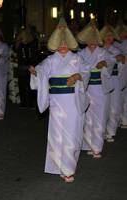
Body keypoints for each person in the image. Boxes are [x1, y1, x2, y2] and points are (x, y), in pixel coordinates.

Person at [29, 18, 90, 183]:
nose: (63, 45)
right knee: (57, 134)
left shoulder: (77, 59)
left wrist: (77, 76)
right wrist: (36, 73)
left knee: (72, 133)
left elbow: (86, 71)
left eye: (65, 42)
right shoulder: (51, 60)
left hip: (73, 101)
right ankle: (59, 165)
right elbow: (42, 69)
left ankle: (69, 168)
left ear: (69, 43)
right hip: (57, 102)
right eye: (60, 42)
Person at [76, 19, 116, 158]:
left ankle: (97, 147)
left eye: (94, 39)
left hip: (99, 88)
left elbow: (112, 59)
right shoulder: (81, 54)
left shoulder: (103, 52)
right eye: (89, 39)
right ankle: (88, 144)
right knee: (87, 116)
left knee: (99, 117)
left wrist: (105, 62)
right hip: (86, 89)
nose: (92, 42)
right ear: (86, 41)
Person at [100, 24, 126, 142]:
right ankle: (101, 130)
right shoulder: (99, 51)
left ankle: (110, 131)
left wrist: (123, 59)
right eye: (106, 35)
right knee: (103, 106)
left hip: (114, 79)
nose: (109, 38)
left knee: (114, 105)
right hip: (101, 81)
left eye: (111, 35)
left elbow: (123, 62)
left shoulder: (117, 50)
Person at [13, 29, 38, 109]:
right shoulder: (19, 45)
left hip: (30, 69)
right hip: (22, 69)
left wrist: (39, 40)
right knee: (22, 87)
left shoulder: (32, 45)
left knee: (31, 87)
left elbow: (38, 50)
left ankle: (31, 104)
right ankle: (23, 103)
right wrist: (19, 41)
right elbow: (15, 49)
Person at [113, 21, 127, 128]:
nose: (122, 35)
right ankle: (117, 119)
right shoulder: (115, 45)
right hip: (118, 71)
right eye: (120, 33)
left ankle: (125, 119)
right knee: (118, 97)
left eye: (124, 33)